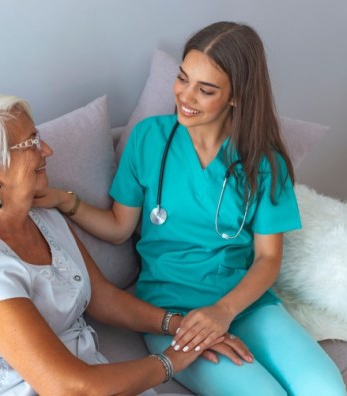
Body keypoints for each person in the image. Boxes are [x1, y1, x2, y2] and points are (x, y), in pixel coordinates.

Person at [34, 21, 347, 395]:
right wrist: (66, 201)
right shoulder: (149, 139)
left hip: (246, 305)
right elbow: (119, 227)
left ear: (235, 96)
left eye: (206, 89)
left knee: (328, 388)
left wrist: (224, 311)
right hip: (172, 313)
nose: (185, 96)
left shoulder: (264, 162)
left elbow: (267, 259)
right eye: (183, 78)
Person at [0, 90, 253, 395]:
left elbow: (102, 297)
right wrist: (174, 358)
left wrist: (184, 327)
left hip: (89, 374)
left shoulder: (40, 215)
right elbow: (69, 387)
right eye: (31, 143)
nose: (47, 150)